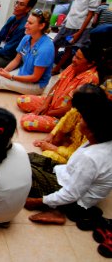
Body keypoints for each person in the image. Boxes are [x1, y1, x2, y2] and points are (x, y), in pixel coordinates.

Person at [25, 84, 112, 226]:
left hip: (73, 198)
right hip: (66, 173)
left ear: (90, 129)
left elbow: (71, 194)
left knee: (23, 171)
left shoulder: (91, 157)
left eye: (83, 119)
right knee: (28, 157)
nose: (80, 120)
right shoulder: (100, 138)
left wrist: (36, 202)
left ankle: (58, 211)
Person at [17, 46, 99, 133]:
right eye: (74, 55)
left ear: (90, 63)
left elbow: (72, 108)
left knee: (26, 122)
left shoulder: (91, 80)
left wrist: (48, 112)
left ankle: (44, 118)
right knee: (21, 100)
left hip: (63, 116)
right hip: (52, 105)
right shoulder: (73, 66)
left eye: (78, 58)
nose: (73, 59)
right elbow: (56, 85)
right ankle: (40, 115)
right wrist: (45, 104)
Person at [52, 0, 104, 75]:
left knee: (69, 49)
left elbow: (90, 16)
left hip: (78, 27)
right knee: (55, 43)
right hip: (69, 22)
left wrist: (79, 33)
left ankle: (57, 68)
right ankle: (51, 63)